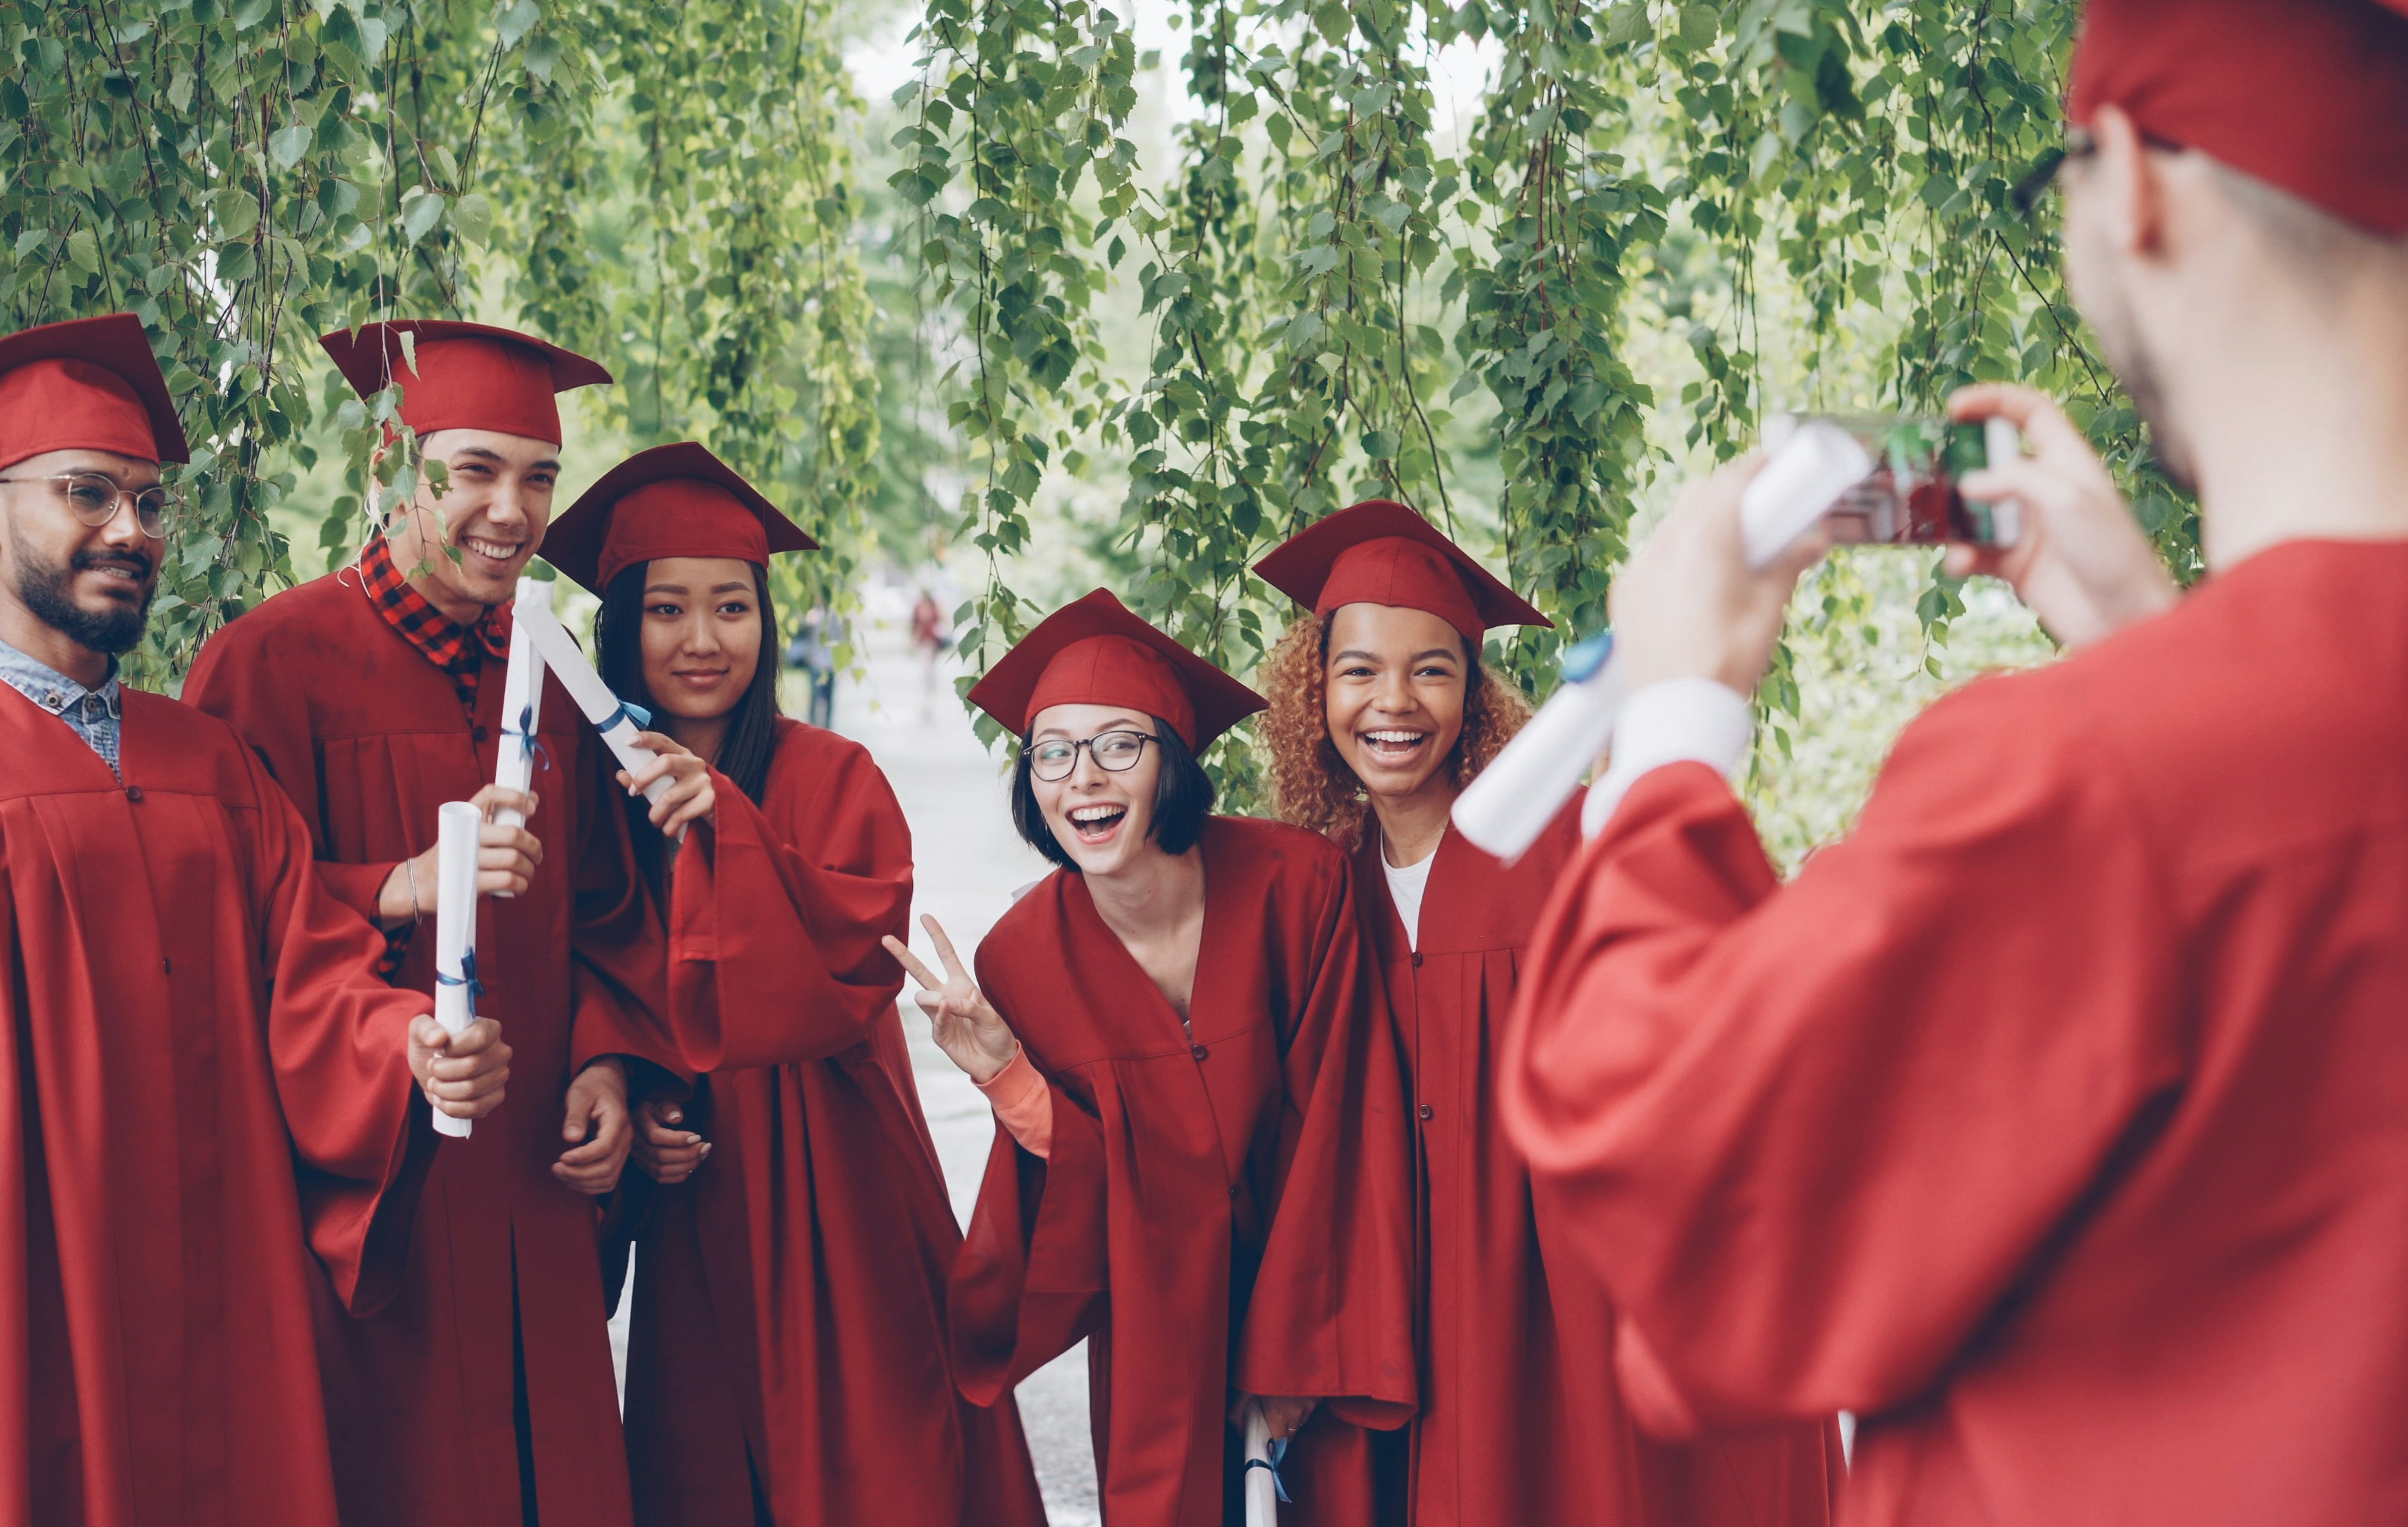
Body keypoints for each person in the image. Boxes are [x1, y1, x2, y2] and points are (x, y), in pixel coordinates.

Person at [1499, 1, 2408, 1521]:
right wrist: (2153, 639)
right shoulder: (2175, 753)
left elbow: (1698, 1213)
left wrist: (1673, 720)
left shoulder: (2080, 784)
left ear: (2125, 176)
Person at [0, 314, 512, 1526]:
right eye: (88, 493)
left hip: (210, 1294)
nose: (131, 529)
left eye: (146, 502)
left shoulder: (212, 762)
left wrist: (405, 1044)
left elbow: (308, 967)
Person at [184, 321, 708, 1527]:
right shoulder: (269, 664)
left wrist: (606, 1066)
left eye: (537, 475)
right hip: (373, 1188)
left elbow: (609, 914)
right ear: (392, 459)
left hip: (533, 1175)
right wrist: (396, 882)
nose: (511, 510)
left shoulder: (551, 671)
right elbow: (210, 926)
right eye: (474, 467)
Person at [1252, 501, 1839, 1526]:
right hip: (1407, 1320)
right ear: (1315, 692)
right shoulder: (1318, 888)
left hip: (1572, 1308)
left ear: (1475, 692)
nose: (1394, 701)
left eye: (1432, 668)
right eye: (1358, 671)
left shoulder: (1567, 842)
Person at [534, 441, 1046, 1527]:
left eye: (733, 606)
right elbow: (594, 963)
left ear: (768, 624)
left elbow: (847, 965)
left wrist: (729, 820)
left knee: (877, 1465)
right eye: (667, 609)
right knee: (706, 1465)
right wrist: (634, 1081)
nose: (704, 639)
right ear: (621, 626)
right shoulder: (590, 793)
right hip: (696, 1199)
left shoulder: (832, 775)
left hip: (838, 1185)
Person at [893, 589, 1417, 1527]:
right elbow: (1085, 1197)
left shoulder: (1300, 889)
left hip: (1332, 1307)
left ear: (1170, 760)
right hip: (1158, 1338)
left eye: (1118, 744)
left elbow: (1344, 1124)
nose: (1082, 776)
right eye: (1053, 751)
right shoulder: (1021, 958)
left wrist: (1293, 1351)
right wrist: (1009, 1075)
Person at [911, 586, 949, 719]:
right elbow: (914, 623)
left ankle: (930, 691)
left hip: (933, 642)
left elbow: (941, 620)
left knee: (930, 668)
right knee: (927, 669)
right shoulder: (919, 607)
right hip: (924, 642)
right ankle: (928, 694)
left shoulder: (933, 606)